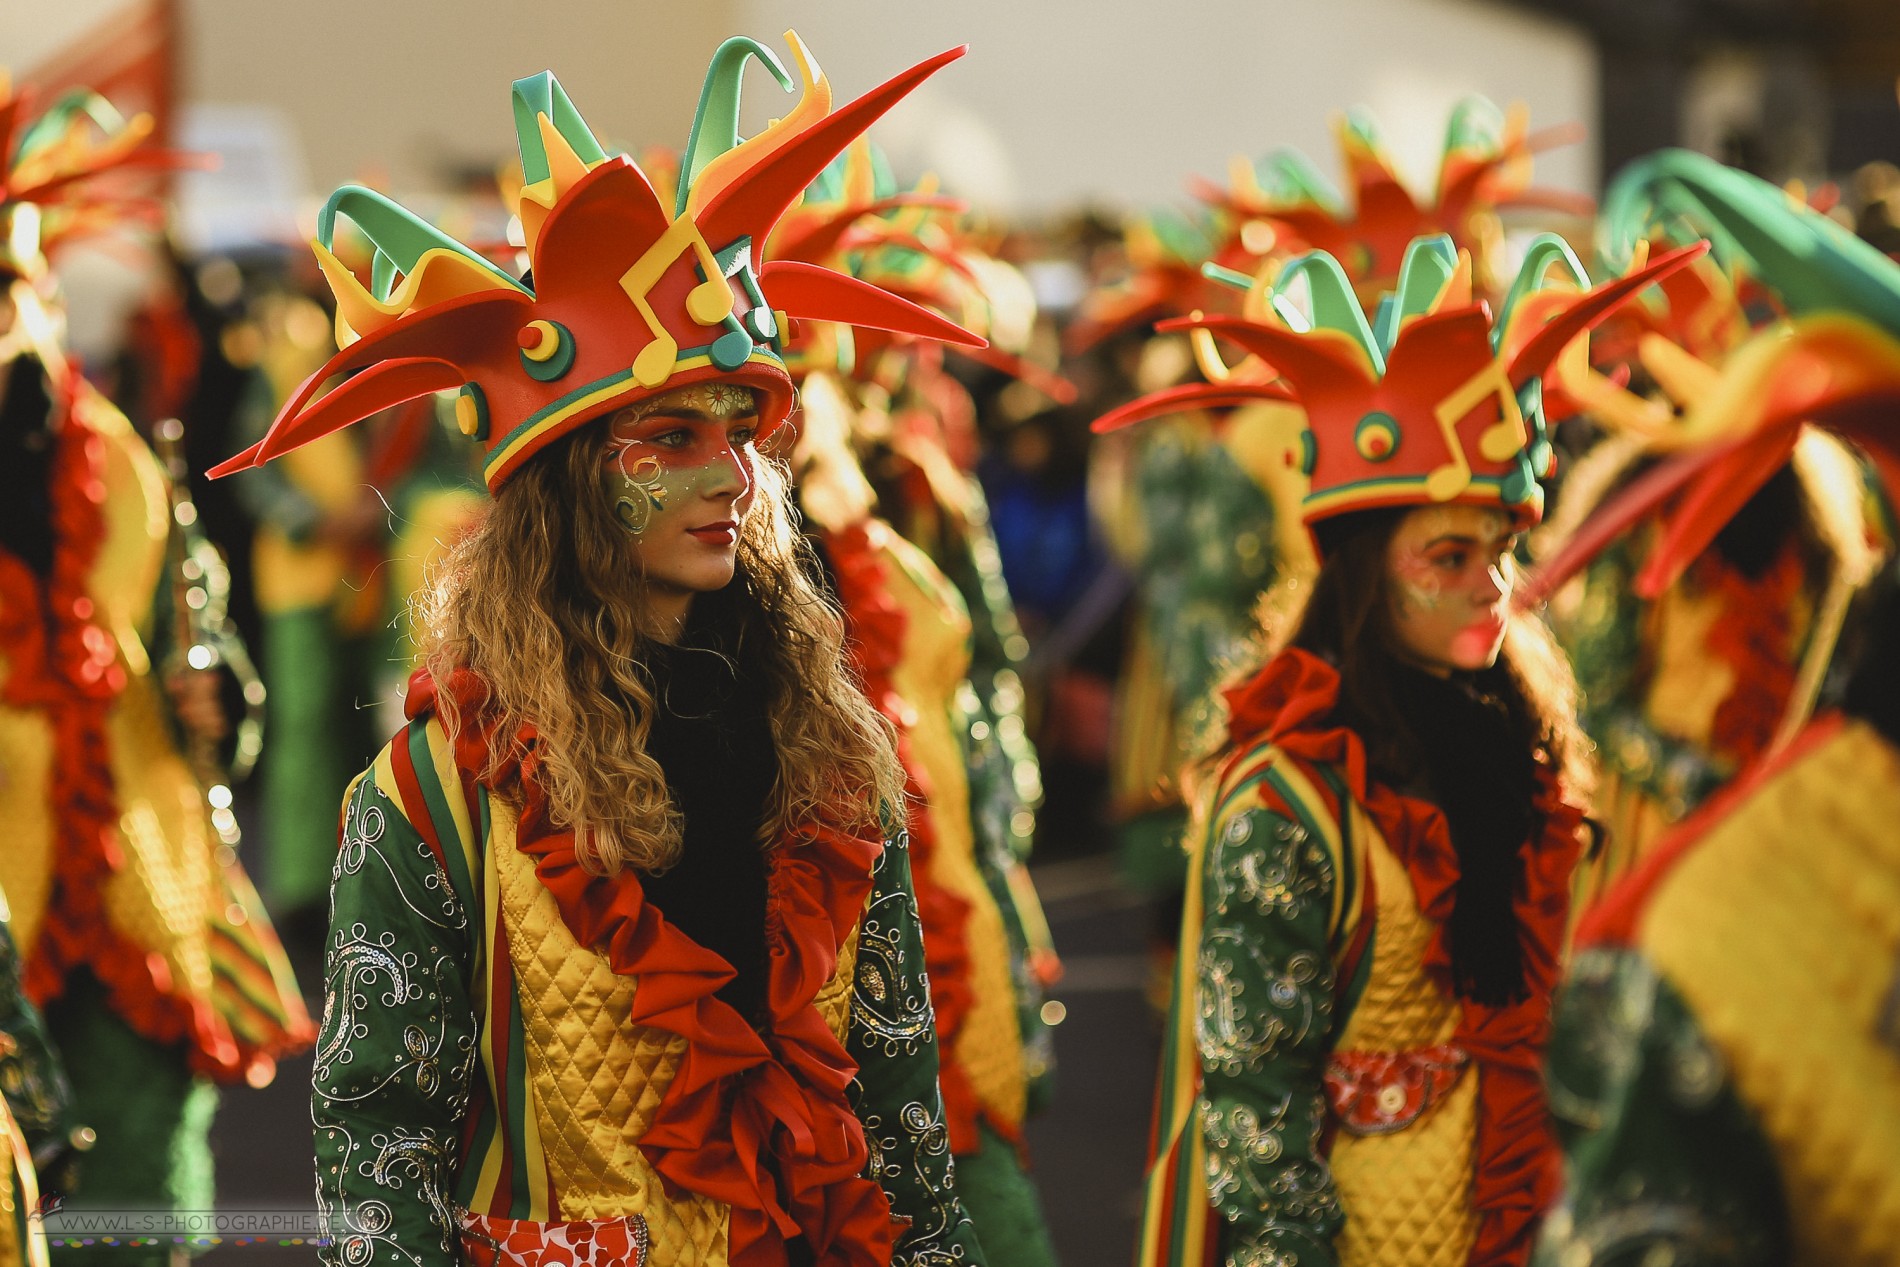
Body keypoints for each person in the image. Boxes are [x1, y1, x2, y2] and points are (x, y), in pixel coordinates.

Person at [211, 38, 996, 1267]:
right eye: (667, 436)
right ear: (571, 484)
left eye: (739, 431)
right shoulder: (434, 793)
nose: (727, 474)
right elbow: (378, 1162)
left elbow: (899, 1130)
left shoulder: (829, 746)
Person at [1095, 231, 1704, 1267]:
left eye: (1505, 551)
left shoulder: (1531, 741)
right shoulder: (1285, 797)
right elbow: (1255, 1112)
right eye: (1451, 556)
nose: (1494, 587)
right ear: (1367, 575)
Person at [1523, 150, 1900, 1267]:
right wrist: (1699, 782)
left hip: (1798, 791)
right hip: (1669, 820)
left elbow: (1833, 660)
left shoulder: (1826, 494)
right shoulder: (1640, 501)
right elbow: (1597, 694)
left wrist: (1783, 771)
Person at [0, 81, 311, 1265]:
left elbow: (205, 642)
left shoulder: (121, 459)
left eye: (11, 292)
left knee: (139, 1208)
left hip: (135, 888)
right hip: (3, 914)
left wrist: (217, 698)